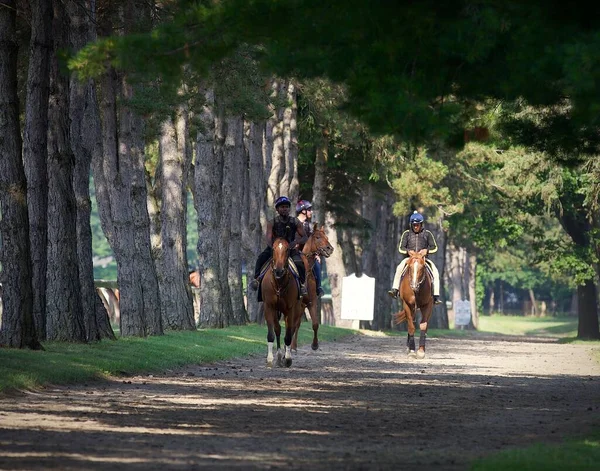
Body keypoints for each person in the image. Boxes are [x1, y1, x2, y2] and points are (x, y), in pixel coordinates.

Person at [249, 196, 308, 296]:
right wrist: (273, 247)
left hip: (290, 248)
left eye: (286, 207)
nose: (284, 209)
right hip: (275, 248)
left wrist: (296, 242)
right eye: (282, 207)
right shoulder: (272, 222)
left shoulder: (295, 222)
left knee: (300, 264)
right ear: (277, 209)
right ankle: (257, 280)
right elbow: (268, 237)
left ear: (289, 208)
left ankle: (302, 285)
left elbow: (305, 237)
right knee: (261, 258)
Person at [388, 211, 442, 304]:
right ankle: (395, 290)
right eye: (414, 225)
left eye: (417, 225)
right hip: (410, 259)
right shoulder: (407, 233)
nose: (416, 227)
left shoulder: (427, 234)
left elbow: (435, 247)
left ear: (421, 224)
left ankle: (436, 296)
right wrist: (408, 251)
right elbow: (401, 248)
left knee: (435, 272)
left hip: (423, 259)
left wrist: (426, 251)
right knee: (399, 268)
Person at [296, 199, 324, 297]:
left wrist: (316, 254)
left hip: (306, 254)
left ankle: (318, 287)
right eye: (309, 210)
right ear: (303, 211)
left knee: (316, 264)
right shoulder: (294, 223)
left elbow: (311, 243)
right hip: (294, 252)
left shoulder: (308, 225)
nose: (311, 212)